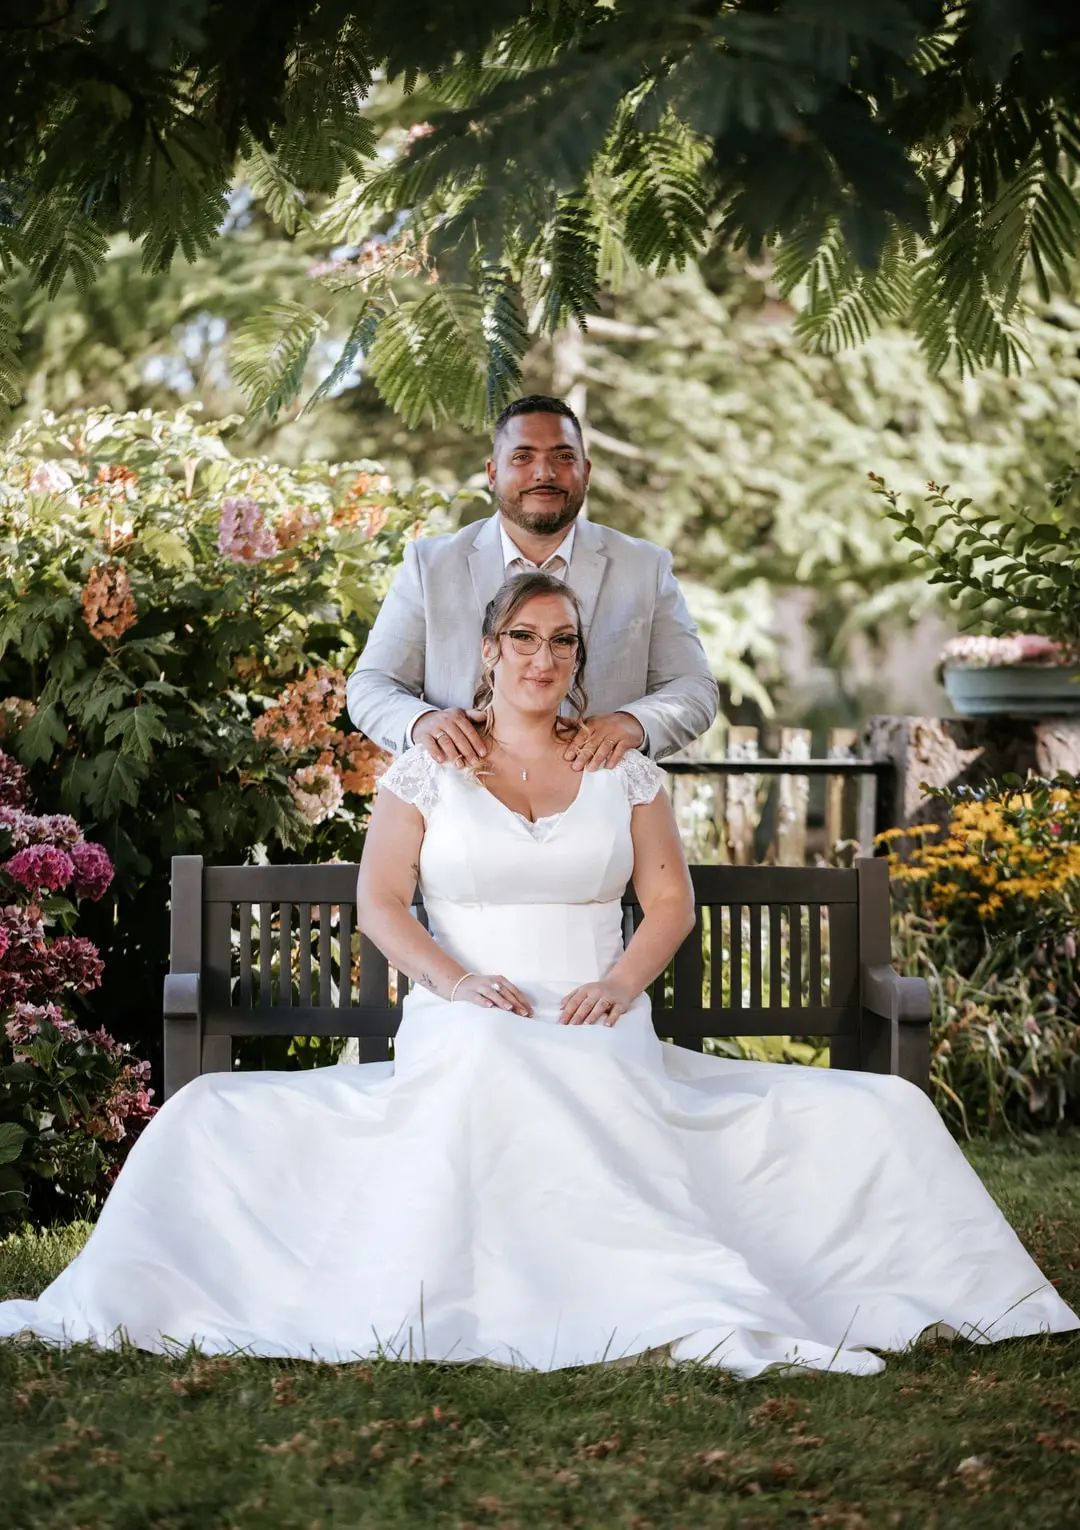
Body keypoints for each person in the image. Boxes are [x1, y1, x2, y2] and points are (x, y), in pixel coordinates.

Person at [1, 570, 1076, 1375]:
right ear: (487, 649)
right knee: (471, 1056)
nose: (543, 656)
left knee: (874, 1110)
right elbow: (381, 904)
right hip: (463, 1002)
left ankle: (646, 1281)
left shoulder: (625, 764)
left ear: (578, 657)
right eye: (523, 636)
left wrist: (620, 983)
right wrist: (457, 982)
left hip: (594, 1002)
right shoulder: (426, 764)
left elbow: (668, 904)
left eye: (562, 640)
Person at [346, 393, 719, 770]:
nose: (545, 473)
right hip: (463, 802)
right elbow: (371, 686)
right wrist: (422, 723)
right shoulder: (430, 566)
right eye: (523, 457)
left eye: (563, 457)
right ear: (493, 474)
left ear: (586, 472)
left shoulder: (644, 566)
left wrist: (635, 724)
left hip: (602, 806)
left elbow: (694, 689)